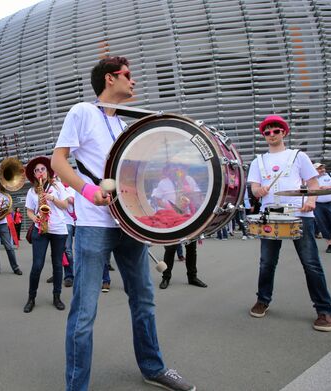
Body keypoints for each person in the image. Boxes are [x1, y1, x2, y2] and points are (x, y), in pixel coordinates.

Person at [52, 56, 196, 391]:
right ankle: (76, 387)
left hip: (129, 224)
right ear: (108, 78)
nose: (133, 81)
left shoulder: (127, 123)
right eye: (127, 75)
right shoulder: (82, 112)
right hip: (93, 225)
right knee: (84, 312)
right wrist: (88, 190)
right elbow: (58, 160)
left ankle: (152, 367)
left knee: (143, 299)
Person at [247, 115, 331, 332]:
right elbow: (254, 188)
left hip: (299, 214)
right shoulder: (258, 161)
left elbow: (313, 183)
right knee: (266, 262)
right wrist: (258, 191)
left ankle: (325, 310)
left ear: (284, 132)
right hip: (270, 214)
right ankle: (263, 300)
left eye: (275, 131)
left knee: (311, 262)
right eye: (267, 132)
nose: (271, 135)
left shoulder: (298, 156)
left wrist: (311, 201)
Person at [23, 156, 69, 313]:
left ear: (48, 171)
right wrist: (34, 217)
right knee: (37, 265)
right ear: (34, 175)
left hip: (58, 230)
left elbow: (64, 206)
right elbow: (29, 210)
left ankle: (57, 296)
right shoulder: (31, 191)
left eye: (42, 169)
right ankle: (31, 298)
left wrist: (52, 198)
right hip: (40, 229)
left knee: (57, 264)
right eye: (37, 170)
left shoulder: (58, 187)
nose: (40, 172)